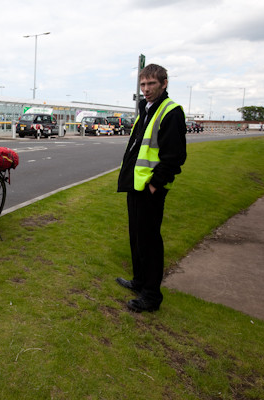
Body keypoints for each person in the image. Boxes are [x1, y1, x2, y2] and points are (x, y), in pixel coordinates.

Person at [116, 64, 187, 313]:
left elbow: (175, 156)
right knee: (136, 236)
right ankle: (139, 282)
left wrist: (155, 185)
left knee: (149, 241)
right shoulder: (146, 109)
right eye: (143, 84)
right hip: (136, 185)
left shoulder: (171, 112)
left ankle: (151, 296)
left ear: (164, 83)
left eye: (151, 84)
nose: (145, 89)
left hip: (149, 189)